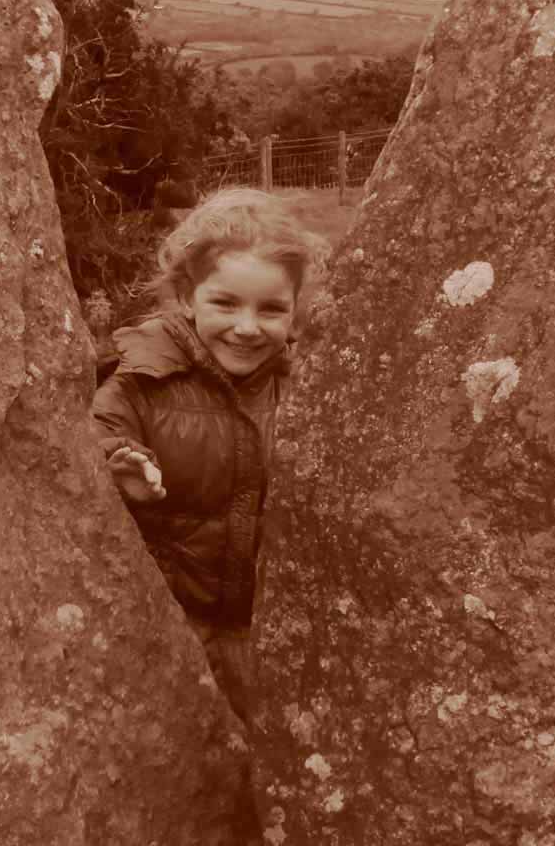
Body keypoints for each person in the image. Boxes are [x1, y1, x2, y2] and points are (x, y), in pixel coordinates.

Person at [92, 188, 325, 722]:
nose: (247, 327)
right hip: (167, 628)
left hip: (261, 633)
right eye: (225, 303)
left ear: (295, 311)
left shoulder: (306, 387)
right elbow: (97, 429)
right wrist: (119, 459)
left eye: (271, 309)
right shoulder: (144, 374)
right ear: (186, 296)